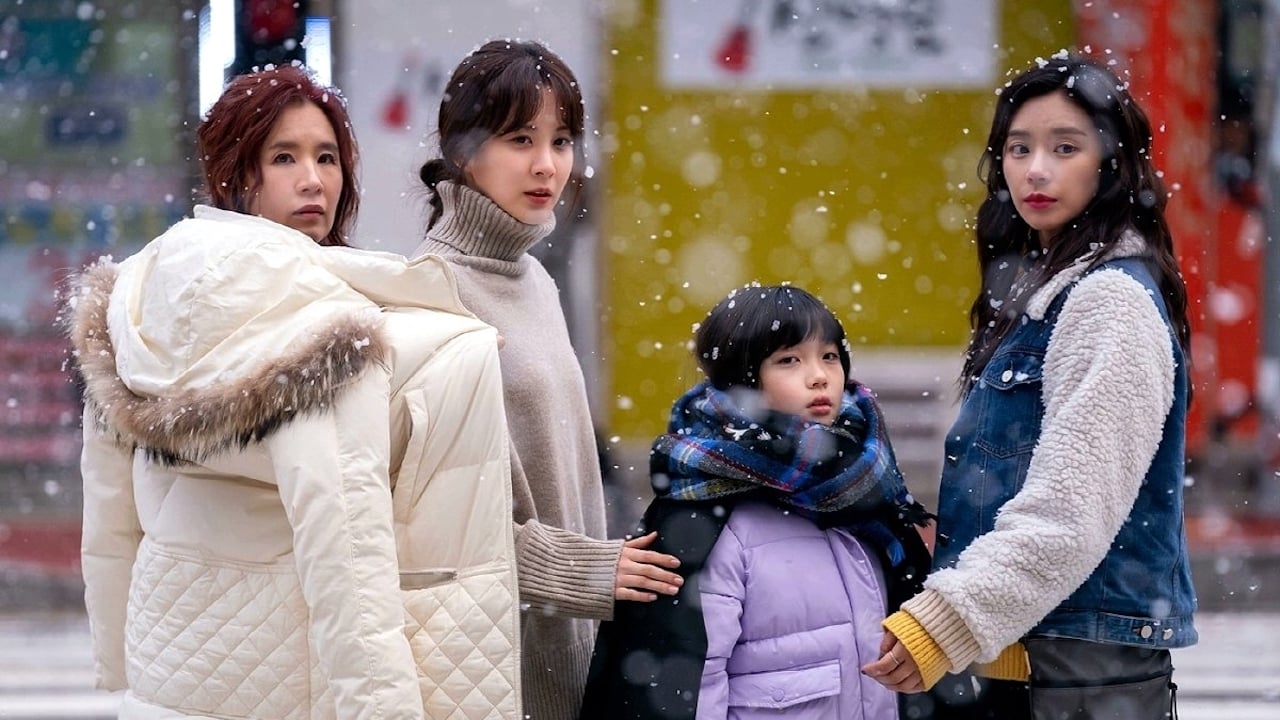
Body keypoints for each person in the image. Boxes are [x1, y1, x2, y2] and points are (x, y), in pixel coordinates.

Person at [66, 64, 522, 719]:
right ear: (234, 173)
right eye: (284, 157)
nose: (314, 180)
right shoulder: (319, 327)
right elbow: (346, 548)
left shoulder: (136, 298)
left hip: (170, 669)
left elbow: (109, 511)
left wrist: (117, 654)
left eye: (327, 157)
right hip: (279, 680)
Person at [863, 53, 1196, 719]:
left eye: (1065, 148)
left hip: (1078, 677)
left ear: (1111, 164)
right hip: (1037, 666)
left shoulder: (1108, 301)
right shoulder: (1046, 295)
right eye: (1019, 149)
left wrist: (943, 623)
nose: (1036, 170)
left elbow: (1069, 514)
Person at [411, 39, 684, 719]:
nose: (547, 165)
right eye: (519, 139)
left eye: (561, 141)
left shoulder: (532, 277)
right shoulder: (429, 293)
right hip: (493, 668)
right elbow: (433, 526)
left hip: (574, 649)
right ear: (461, 152)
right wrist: (587, 569)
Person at [579, 285, 934, 719]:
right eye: (789, 360)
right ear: (743, 377)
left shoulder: (866, 489)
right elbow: (690, 682)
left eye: (829, 356)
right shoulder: (707, 513)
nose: (819, 376)